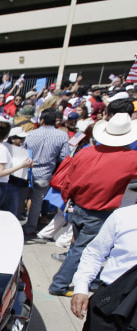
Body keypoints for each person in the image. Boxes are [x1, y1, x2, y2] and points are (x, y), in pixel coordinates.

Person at [48, 113, 137, 296]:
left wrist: (69, 200)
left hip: (78, 206)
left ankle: (85, 280)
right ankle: (60, 284)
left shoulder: (85, 152)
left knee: (78, 247)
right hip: (98, 212)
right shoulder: (131, 158)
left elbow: (68, 181)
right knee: (83, 249)